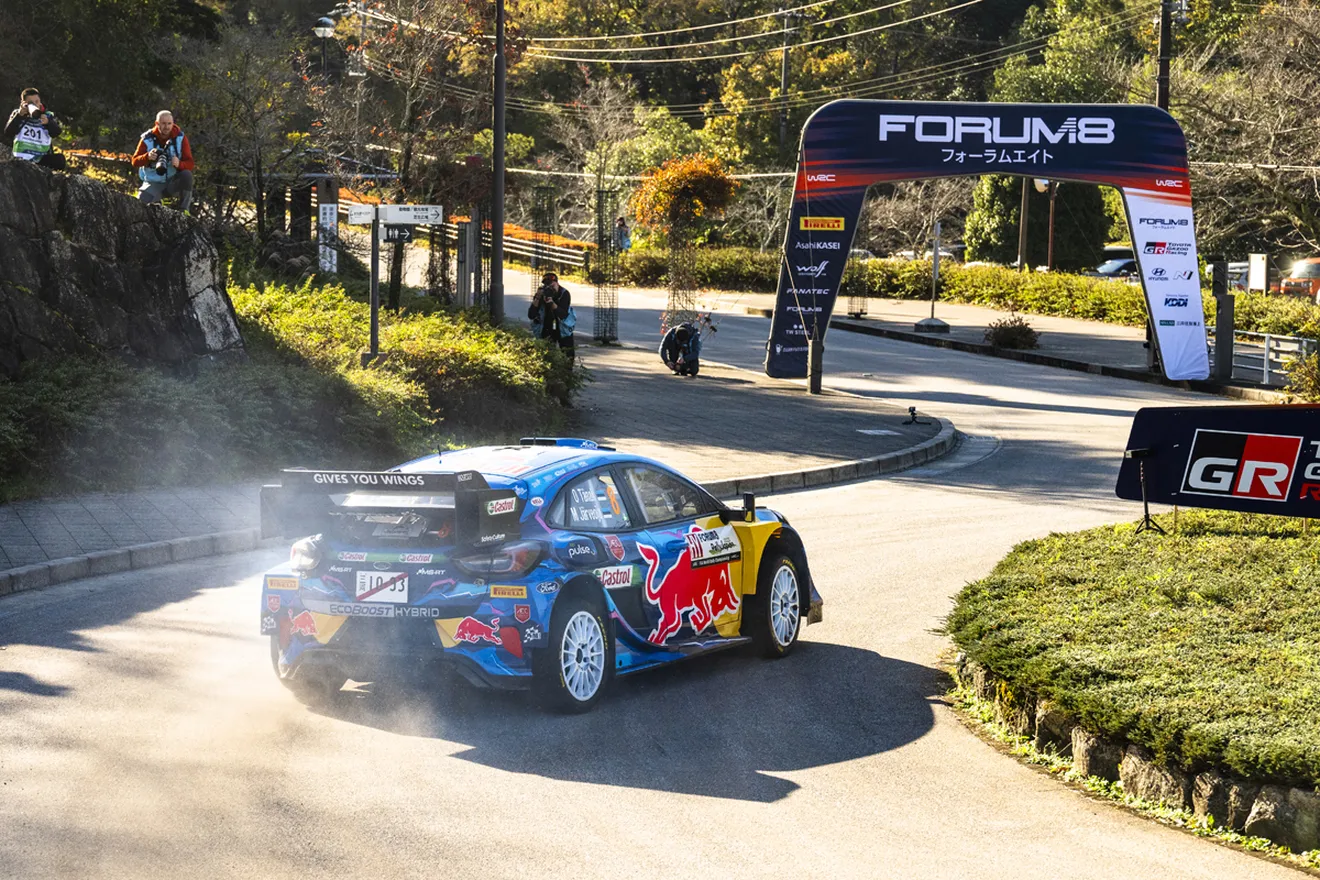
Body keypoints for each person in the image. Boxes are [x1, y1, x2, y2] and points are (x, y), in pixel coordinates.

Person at [131, 110, 194, 213]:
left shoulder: (180, 138)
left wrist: (180, 164)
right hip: (153, 182)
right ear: (157, 123)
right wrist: (147, 157)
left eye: (169, 123)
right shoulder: (147, 139)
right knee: (139, 207)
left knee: (187, 175)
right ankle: (157, 201)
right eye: (163, 123)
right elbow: (134, 161)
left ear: (173, 123)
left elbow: (190, 164)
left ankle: (184, 211)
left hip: (172, 181)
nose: (167, 127)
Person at [3, 88, 66, 170]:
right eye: (31, 103)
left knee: (60, 160)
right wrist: (20, 115)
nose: (36, 105)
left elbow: (57, 132)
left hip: (41, 158)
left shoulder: (47, 115)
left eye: (37, 101)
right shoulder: (17, 114)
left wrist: (48, 123)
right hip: (22, 157)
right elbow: (8, 132)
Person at [529, 272, 575, 361]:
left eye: (551, 284)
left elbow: (563, 314)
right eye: (547, 285)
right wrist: (538, 297)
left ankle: (567, 373)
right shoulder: (542, 293)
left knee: (568, 355)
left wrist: (551, 303)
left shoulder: (564, 293)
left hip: (563, 328)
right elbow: (531, 314)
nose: (550, 287)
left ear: (557, 283)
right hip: (547, 326)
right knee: (547, 355)